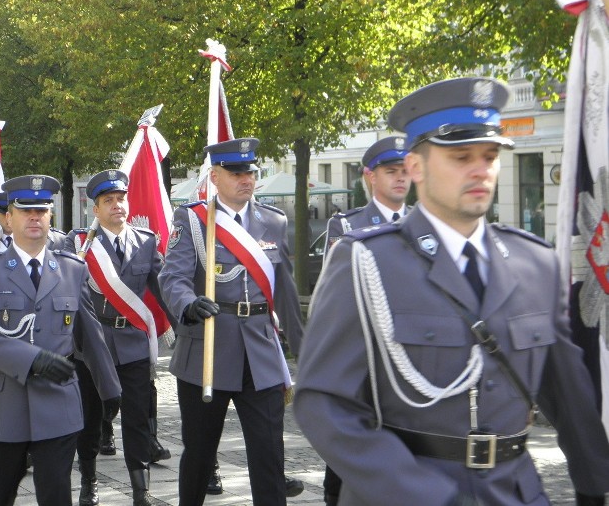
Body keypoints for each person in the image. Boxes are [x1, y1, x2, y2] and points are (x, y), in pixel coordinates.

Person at [294, 76, 609, 506]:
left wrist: (594, 486)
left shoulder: (534, 263)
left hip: (516, 492)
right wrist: (424, 495)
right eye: (461, 156)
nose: (481, 169)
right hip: (408, 493)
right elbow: (324, 403)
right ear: (416, 168)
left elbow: (568, 393)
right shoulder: (366, 262)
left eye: (490, 155)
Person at [0, 175, 121, 506]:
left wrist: (110, 387)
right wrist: (31, 360)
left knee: (56, 496)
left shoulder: (73, 269)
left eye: (41, 210)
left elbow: (89, 333)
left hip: (57, 406)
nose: (34, 217)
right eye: (25, 210)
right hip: (2, 407)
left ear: (51, 217)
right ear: (8, 218)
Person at [159, 137, 297, 506]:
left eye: (250, 172)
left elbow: (284, 290)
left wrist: (302, 348)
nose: (246, 179)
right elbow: (172, 278)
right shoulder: (191, 219)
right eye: (236, 173)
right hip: (208, 347)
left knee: (270, 455)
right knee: (200, 455)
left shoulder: (274, 221)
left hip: (261, 351)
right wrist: (188, 304)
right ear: (215, 176)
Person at [65, 169, 170, 506]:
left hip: (133, 344)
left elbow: (165, 289)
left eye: (120, 199)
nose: (117, 206)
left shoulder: (146, 241)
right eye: (107, 201)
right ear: (94, 209)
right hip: (92, 348)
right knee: (90, 420)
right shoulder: (80, 244)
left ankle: (142, 490)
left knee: (138, 419)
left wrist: (187, 317)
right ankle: (88, 482)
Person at [318, 135, 410, 505]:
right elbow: (336, 297)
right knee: (347, 457)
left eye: (406, 171)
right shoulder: (347, 226)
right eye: (391, 171)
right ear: (370, 176)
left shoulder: (425, 225)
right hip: (364, 358)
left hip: (409, 360)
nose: (401, 178)